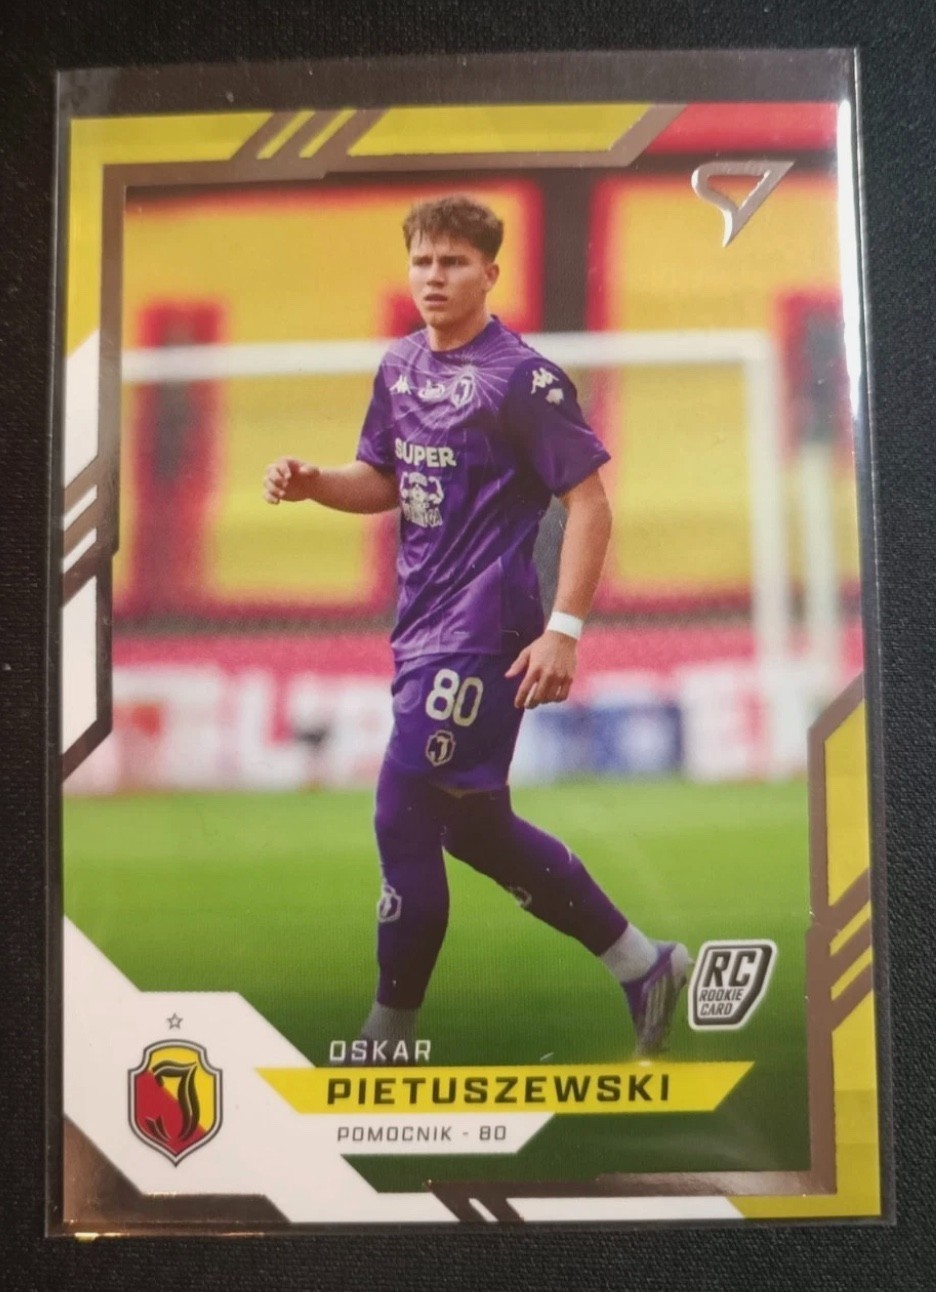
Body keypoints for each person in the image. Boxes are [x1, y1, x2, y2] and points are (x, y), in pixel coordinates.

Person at [263, 195, 690, 1060]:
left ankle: (387, 1036)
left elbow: (590, 503)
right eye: (423, 261)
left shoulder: (522, 380)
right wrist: (316, 484)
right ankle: (644, 966)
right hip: (421, 625)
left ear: (491, 273)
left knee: (402, 809)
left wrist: (563, 629)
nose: (434, 277)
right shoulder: (399, 367)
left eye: (454, 262)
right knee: (475, 829)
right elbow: (384, 479)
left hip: (487, 629)